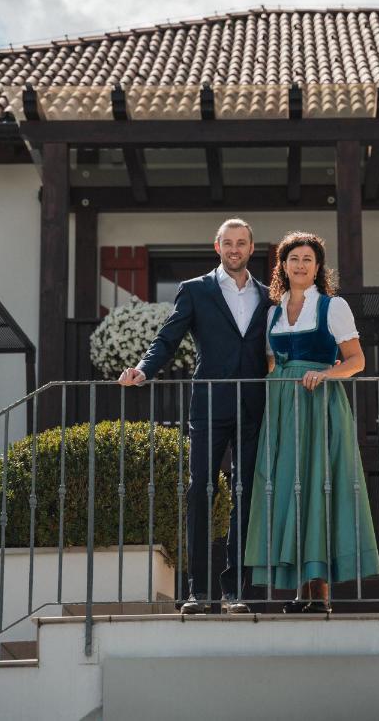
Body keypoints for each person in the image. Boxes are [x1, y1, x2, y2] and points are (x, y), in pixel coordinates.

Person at [119, 218, 271, 615]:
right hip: (209, 405)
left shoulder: (269, 295)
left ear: (252, 249)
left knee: (247, 495)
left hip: (255, 406)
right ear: (217, 246)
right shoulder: (195, 290)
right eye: (228, 243)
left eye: (242, 243)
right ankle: (199, 592)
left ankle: (238, 591)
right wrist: (143, 369)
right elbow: (167, 338)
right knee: (201, 490)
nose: (235, 249)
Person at [245, 231, 379, 613]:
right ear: (283, 267)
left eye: (308, 259)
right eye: (294, 259)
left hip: (319, 404)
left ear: (318, 267)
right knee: (287, 488)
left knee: (319, 485)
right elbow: (272, 361)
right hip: (282, 406)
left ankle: (318, 595)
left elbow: (356, 361)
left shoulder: (332, 307)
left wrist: (325, 374)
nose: (300, 265)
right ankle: (298, 591)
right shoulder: (273, 311)